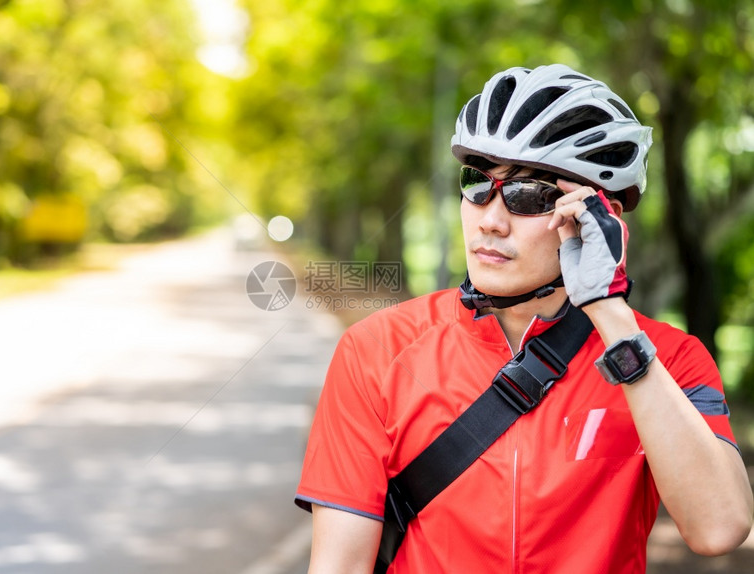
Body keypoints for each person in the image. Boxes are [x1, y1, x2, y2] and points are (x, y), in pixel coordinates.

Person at [294, 63, 753, 573]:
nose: (490, 219)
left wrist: (609, 312)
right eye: (477, 184)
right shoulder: (377, 350)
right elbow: (339, 566)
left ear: (598, 218)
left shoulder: (669, 360)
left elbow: (719, 528)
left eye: (528, 195)